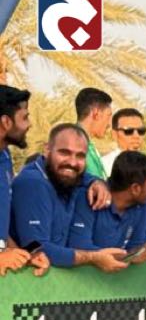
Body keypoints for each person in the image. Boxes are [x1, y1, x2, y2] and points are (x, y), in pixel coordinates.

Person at [11, 124, 123, 271]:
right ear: (47, 150)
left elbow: (83, 176)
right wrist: (93, 257)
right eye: (65, 153)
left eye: (80, 156)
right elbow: (35, 248)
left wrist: (97, 181)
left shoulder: (69, 178)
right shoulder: (33, 183)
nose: (72, 162)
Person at [0, 84, 49, 277]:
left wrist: (24, 254)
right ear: (5, 122)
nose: (29, 124)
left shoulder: (5, 156)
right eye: (25, 117)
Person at [87, 151, 146, 255]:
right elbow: (80, 249)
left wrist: (145, 252)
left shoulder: (142, 206)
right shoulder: (92, 199)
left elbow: (135, 247)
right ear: (135, 188)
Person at [75, 87, 113, 179]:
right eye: (108, 116)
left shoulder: (89, 145)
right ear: (96, 114)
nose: (109, 124)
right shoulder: (75, 145)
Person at [102, 108, 145, 176]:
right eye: (128, 131)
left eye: (141, 131)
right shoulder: (104, 166)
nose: (136, 136)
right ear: (114, 134)